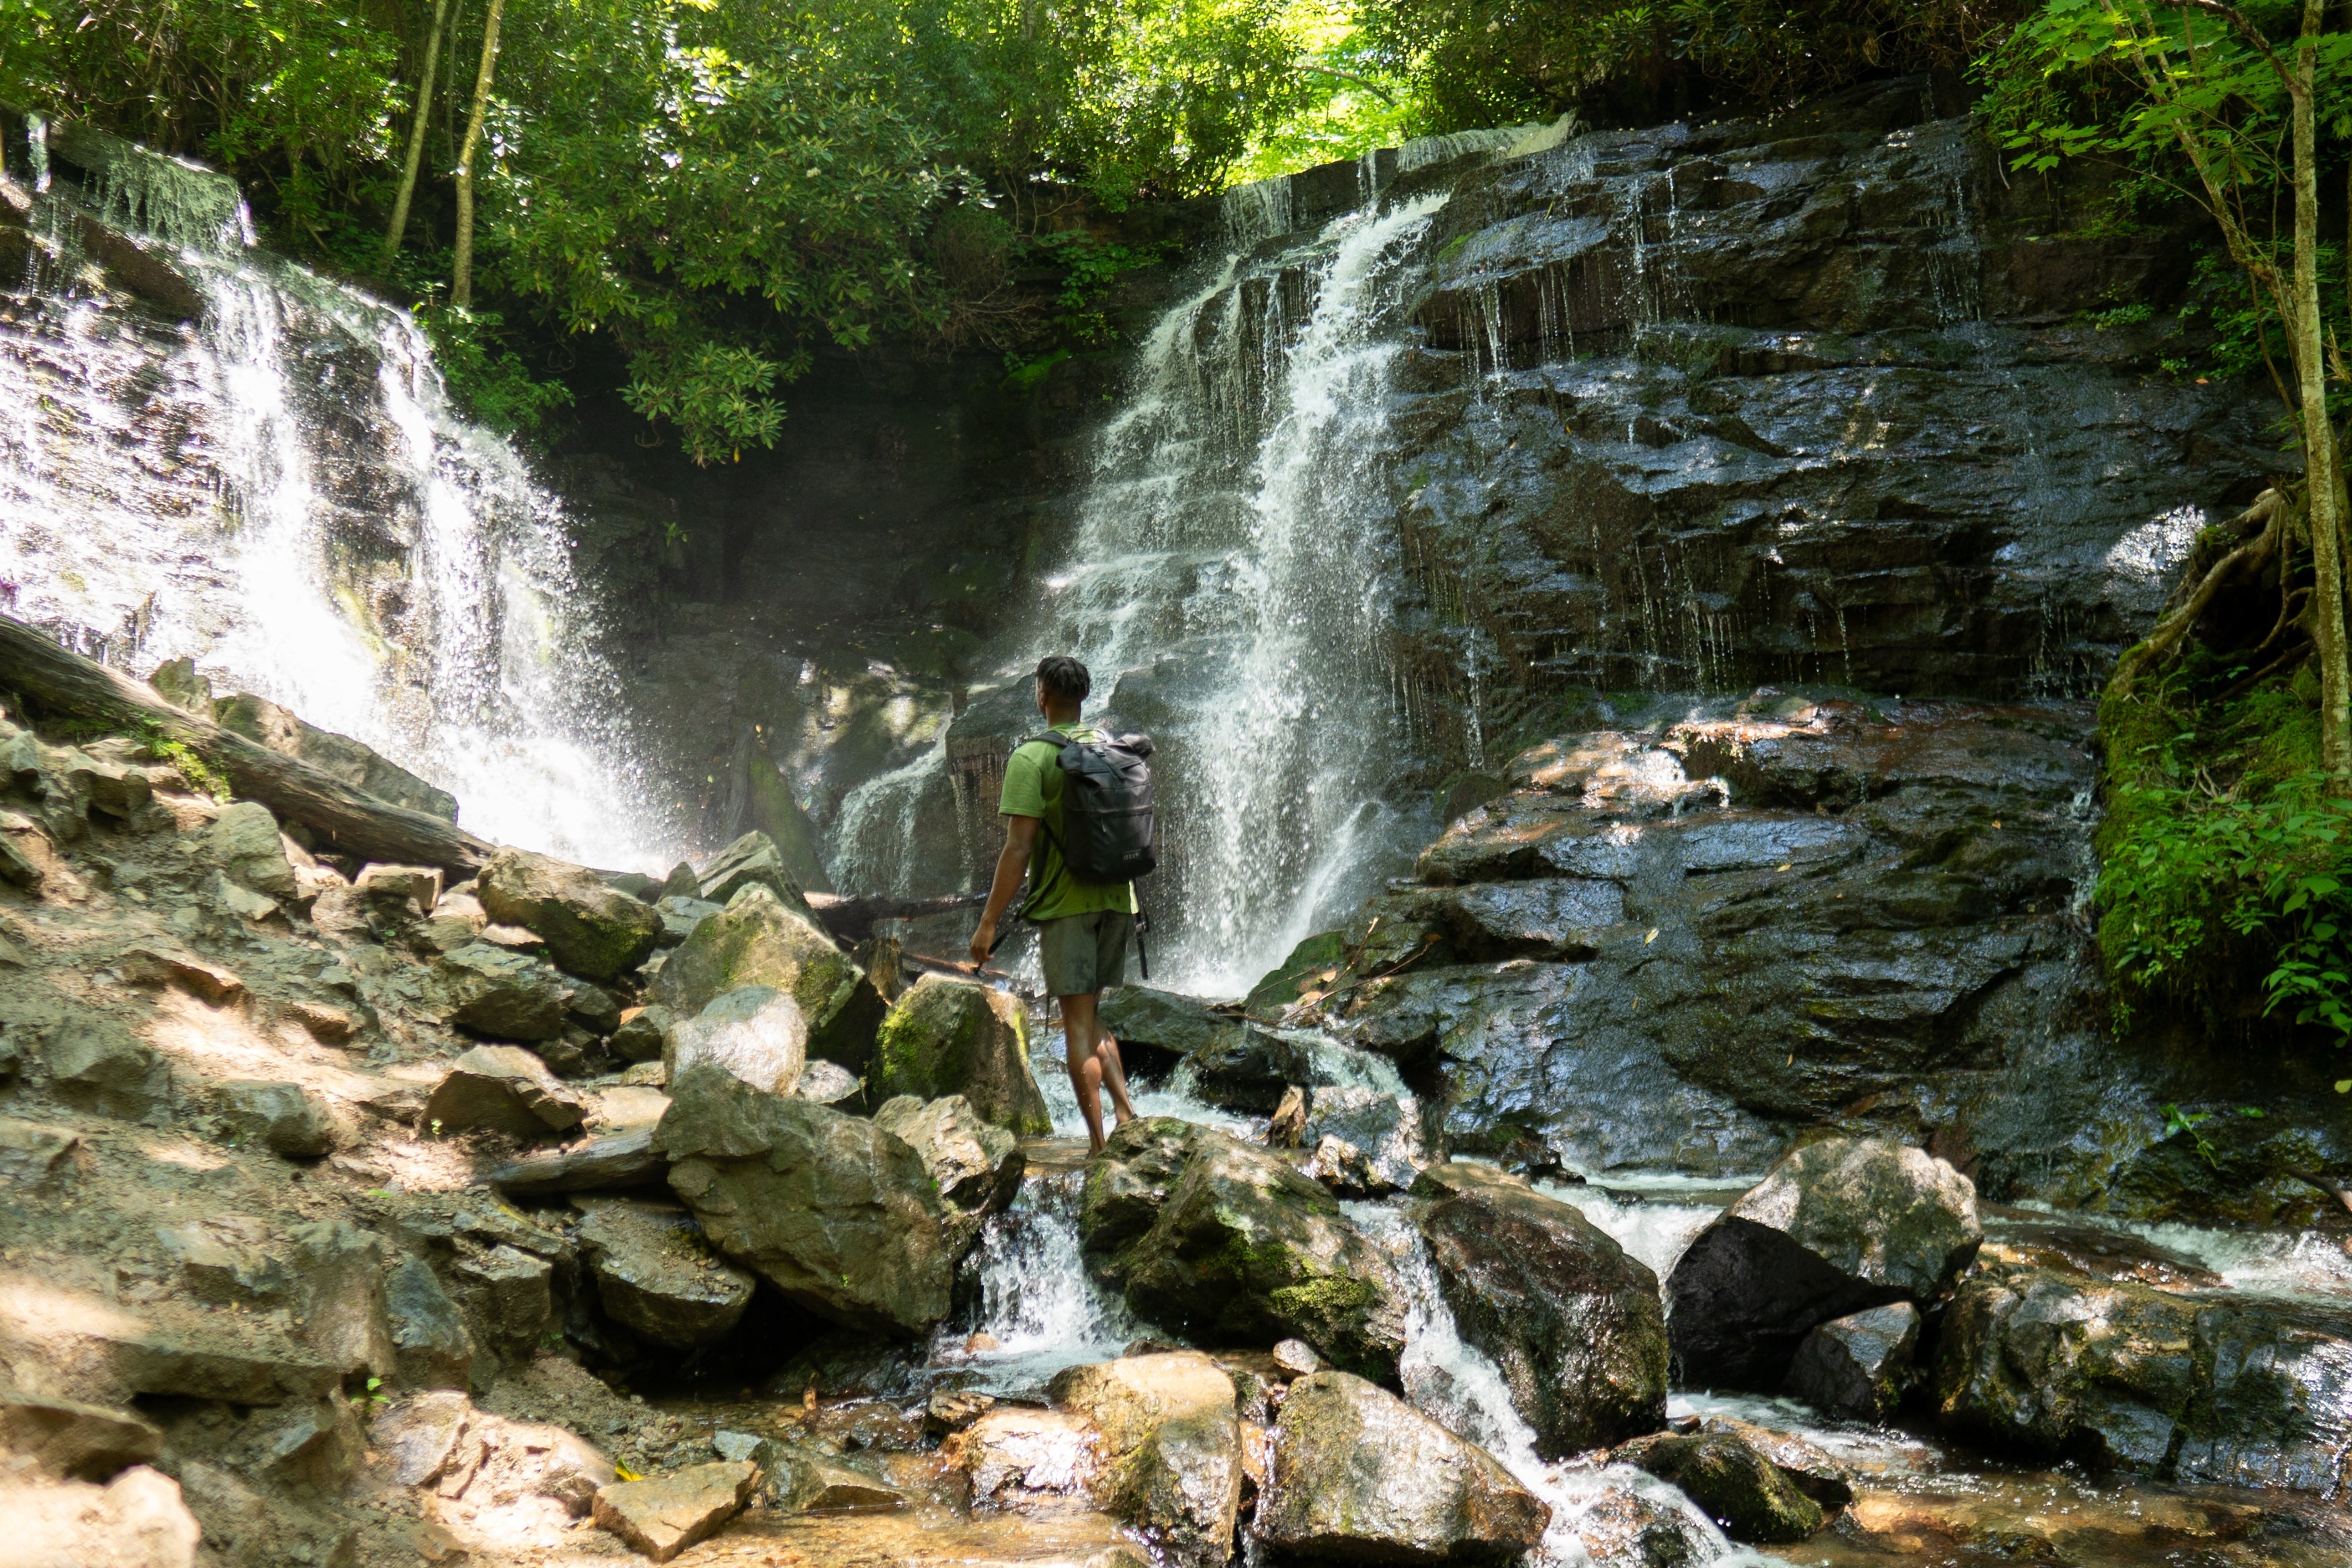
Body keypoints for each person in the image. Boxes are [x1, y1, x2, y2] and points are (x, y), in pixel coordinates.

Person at [970, 654, 1138, 1153]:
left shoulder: (1032, 758)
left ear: (1041, 695)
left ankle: (1097, 1147)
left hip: (1068, 907)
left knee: (1077, 1026)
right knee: (1092, 1014)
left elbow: (1018, 848)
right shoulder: (1113, 748)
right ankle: (1127, 1116)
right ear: (1083, 697)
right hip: (1119, 898)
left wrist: (987, 924)